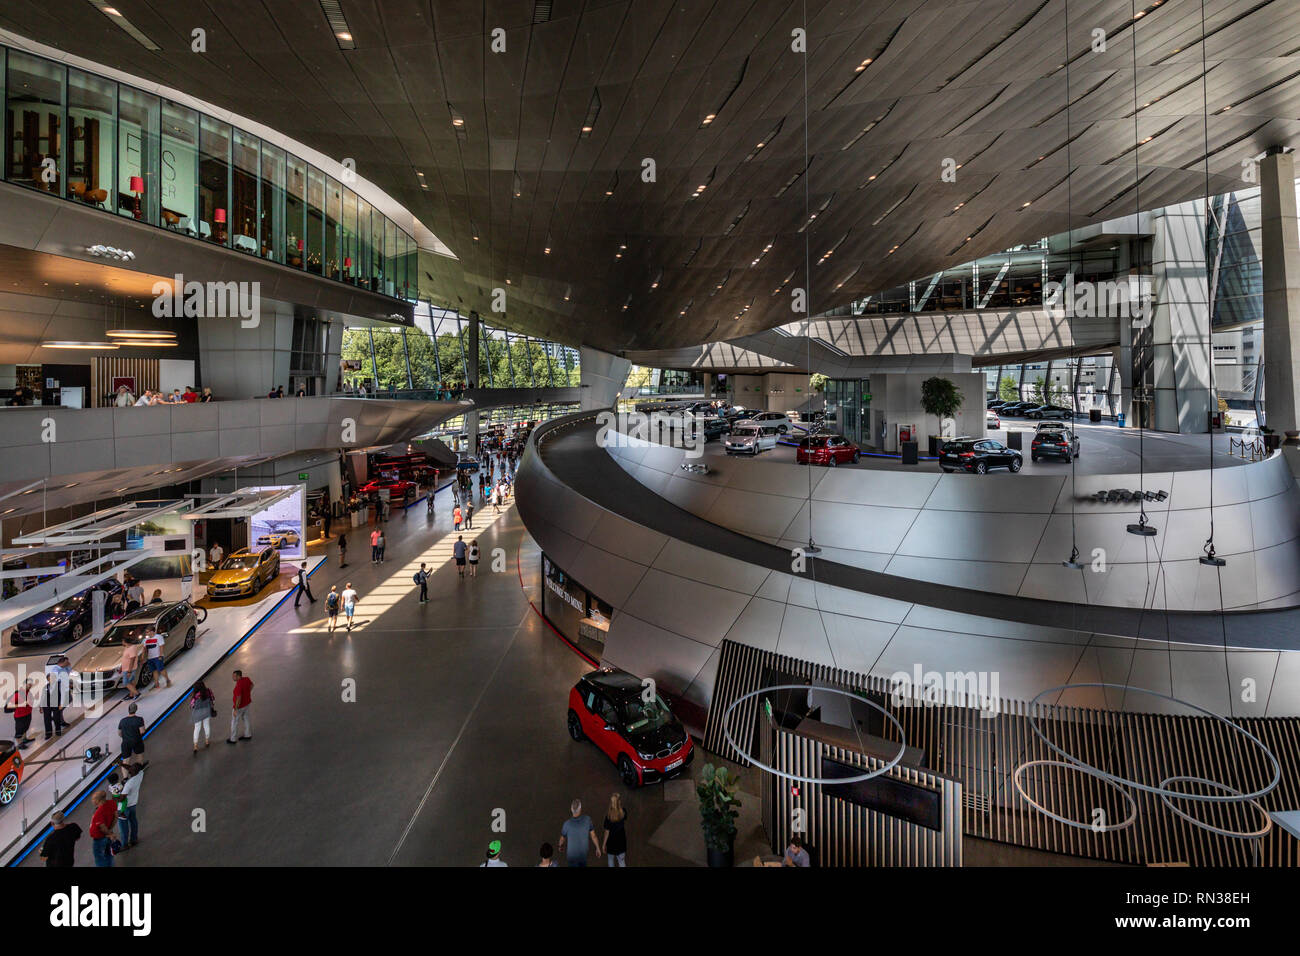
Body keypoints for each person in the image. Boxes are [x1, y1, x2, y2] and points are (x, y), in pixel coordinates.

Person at [558, 799, 601, 866]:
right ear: (580, 809)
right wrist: (598, 848)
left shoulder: (567, 824)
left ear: (571, 809)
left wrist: (560, 846)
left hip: (571, 857)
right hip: (583, 856)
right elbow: (593, 836)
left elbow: (562, 839)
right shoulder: (587, 820)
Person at [41, 655, 72, 739]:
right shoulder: (55, 670)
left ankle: (58, 725)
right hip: (48, 704)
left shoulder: (65, 668)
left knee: (59, 712)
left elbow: (69, 672)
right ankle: (49, 733)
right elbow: (43, 696)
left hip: (57, 700)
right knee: (47, 719)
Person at [88, 790, 117, 867]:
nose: (92, 801)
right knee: (109, 854)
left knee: (99, 857)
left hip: (100, 838)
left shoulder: (99, 812)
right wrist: (111, 830)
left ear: (98, 800)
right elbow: (116, 816)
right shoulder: (112, 803)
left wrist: (109, 834)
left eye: (93, 799)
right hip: (108, 833)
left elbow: (102, 828)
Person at [117, 763, 143, 848]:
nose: (129, 769)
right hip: (133, 803)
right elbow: (130, 767)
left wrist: (115, 795)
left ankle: (124, 844)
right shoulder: (140, 773)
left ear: (133, 771)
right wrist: (120, 764)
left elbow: (122, 798)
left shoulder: (129, 784)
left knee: (123, 827)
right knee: (133, 822)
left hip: (125, 807)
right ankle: (134, 839)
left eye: (131, 768)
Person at [5, 677, 35, 749]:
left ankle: (24, 739)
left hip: (27, 713)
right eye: (28, 684)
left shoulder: (28, 692)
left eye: (31, 684)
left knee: (26, 727)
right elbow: (9, 705)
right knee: (19, 730)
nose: (30, 686)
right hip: (20, 716)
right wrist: (22, 704)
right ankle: (19, 744)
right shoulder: (18, 694)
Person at [117, 701, 146, 768]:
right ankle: (139, 769)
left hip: (125, 742)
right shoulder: (139, 719)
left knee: (126, 760)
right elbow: (142, 731)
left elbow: (119, 733)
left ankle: (125, 777)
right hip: (137, 741)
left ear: (128, 710)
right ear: (136, 710)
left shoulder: (122, 720)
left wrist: (125, 737)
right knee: (139, 755)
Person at [603, 793, 628, 867]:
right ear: (619, 802)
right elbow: (625, 819)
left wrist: (604, 844)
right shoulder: (623, 812)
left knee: (610, 860)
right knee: (621, 861)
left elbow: (607, 832)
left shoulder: (608, 816)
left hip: (611, 844)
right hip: (621, 843)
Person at [228, 670, 253, 743]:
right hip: (247, 704)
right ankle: (248, 734)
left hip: (239, 707)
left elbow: (238, 698)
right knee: (246, 719)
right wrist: (247, 693)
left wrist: (235, 709)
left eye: (234, 676)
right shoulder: (247, 679)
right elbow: (252, 685)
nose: (233, 677)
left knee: (234, 722)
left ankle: (233, 739)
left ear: (239, 676)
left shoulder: (239, 685)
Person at [190, 680, 215, 752]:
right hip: (207, 711)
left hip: (198, 713)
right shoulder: (208, 691)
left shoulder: (196, 695)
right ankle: (207, 741)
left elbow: (192, 705)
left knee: (197, 728)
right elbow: (213, 699)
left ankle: (195, 746)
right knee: (206, 725)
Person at [143, 625, 171, 690]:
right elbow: (144, 648)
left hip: (157, 657)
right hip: (150, 658)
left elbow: (161, 646)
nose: (146, 633)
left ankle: (167, 680)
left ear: (152, 631)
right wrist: (144, 657)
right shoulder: (145, 639)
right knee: (154, 670)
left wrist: (160, 655)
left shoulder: (159, 637)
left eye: (147, 632)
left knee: (161, 670)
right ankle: (156, 683)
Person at [118, 636, 144, 700]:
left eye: (123, 641)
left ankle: (137, 693)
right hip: (125, 669)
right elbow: (124, 659)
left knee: (126, 682)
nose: (122, 642)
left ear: (126, 642)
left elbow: (132, 660)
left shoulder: (132, 649)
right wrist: (121, 668)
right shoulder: (127, 647)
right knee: (131, 682)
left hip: (129, 669)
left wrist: (129, 671)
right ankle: (131, 695)